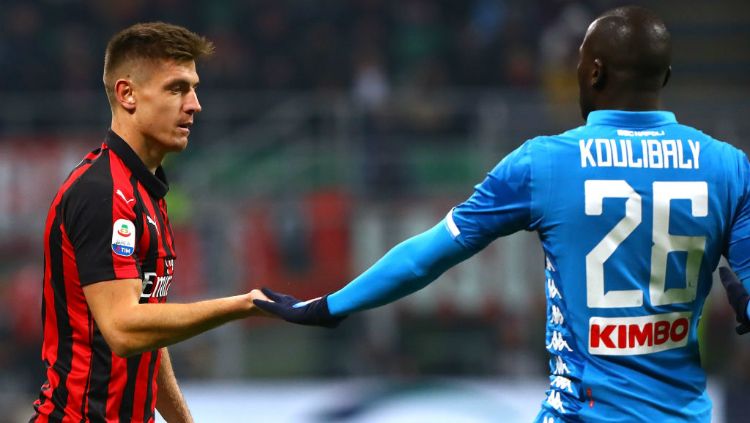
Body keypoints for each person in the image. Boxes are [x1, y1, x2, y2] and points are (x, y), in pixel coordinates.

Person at [254, 6, 750, 422]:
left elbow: (428, 256)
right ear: (664, 76)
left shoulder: (545, 162)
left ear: (594, 72)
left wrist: (331, 306)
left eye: (578, 63)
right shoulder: (728, 167)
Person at [31, 22, 267, 422]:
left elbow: (146, 335)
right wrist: (242, 305)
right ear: (128, 95)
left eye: (193, 88)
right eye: (176, 89)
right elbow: (124, 330)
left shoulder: (147, 194)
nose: (194, 104)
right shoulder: (102, 191)